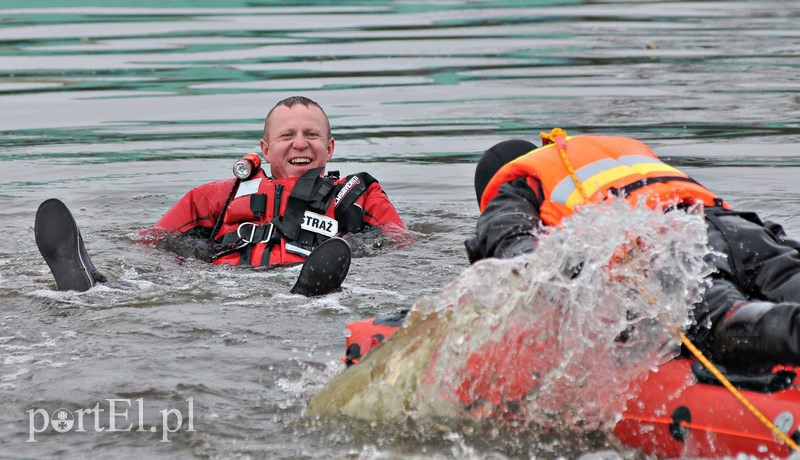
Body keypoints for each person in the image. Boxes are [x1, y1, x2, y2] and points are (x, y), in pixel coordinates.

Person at [464, 128, 800, 373]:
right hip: (741, 229)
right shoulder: (597, 153)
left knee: (714, 319)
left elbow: (519, 258)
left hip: (667, 242)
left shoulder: (512, 190)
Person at [35, 96, 406, 297]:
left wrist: (361, 251)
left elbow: (398, 242)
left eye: (311, 135)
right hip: (222, 284)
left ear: (330, 147)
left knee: (309, 295)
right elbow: (149, 242)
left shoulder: (356, 194)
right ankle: (94, 284)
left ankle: (312, 295)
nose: (299, 143)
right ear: (264, 146)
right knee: (150, 286)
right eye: (286, 135)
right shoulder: (218, 195)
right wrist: (180, 262)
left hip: (300, 278)